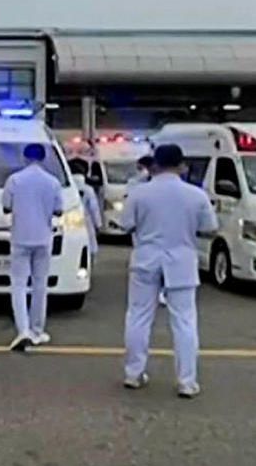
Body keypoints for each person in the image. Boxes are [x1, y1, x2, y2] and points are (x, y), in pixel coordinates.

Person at [118, 142, 218, 398]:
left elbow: (126, 224)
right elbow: (210, 227)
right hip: (181, 260)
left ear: (155, 164)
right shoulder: (195, 195)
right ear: (181, 165)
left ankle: (133, 372)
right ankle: (187, 380)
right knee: (184, 321)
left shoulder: (139, 193)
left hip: (146, 258)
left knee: (139, 316)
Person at [1, 142, 63, 352]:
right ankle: (38, 329)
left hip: (20, 237)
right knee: (40, 285)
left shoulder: (15, 180)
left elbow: (6, 206)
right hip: (44, 237)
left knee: (18, 284)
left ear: (25, 158)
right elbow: (59, 210)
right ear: (44, 158)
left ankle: (23, 330)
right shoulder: (53, 182)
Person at [72, 167, 101, 260]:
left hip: (71, 221)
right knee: (90, 245)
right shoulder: (88, 190)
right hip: (86, 221)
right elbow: (94, 208)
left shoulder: (68, 188)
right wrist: (98, 224)